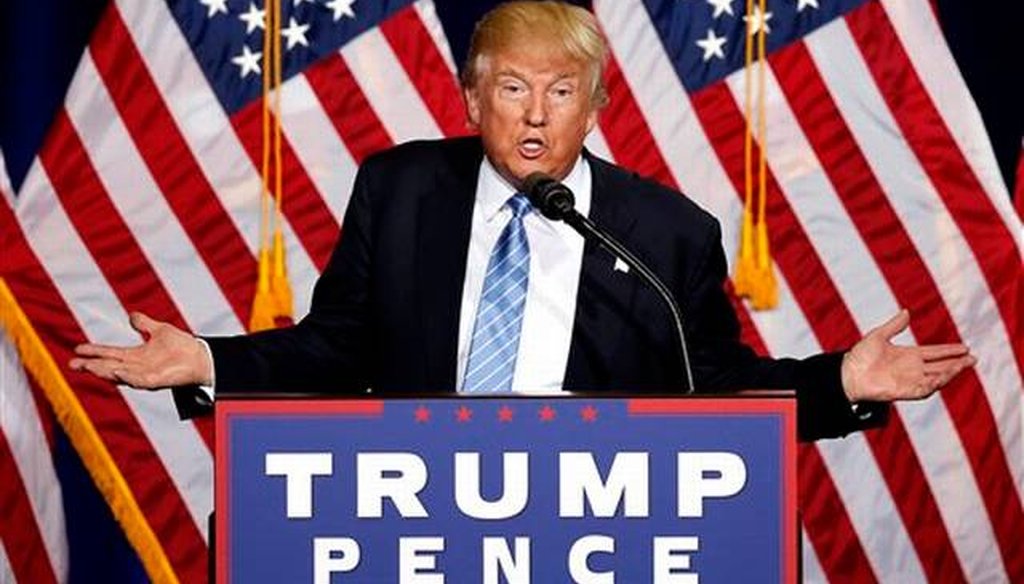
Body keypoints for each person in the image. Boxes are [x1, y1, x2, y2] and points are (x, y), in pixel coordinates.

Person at [69, 1, 974, 441]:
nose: (536, 115)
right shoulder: (402, 188)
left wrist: (841, 383)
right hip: (409, 514)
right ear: (471, 101)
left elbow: (717, 391)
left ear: (594, 110)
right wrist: (211, 361)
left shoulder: (665, 235)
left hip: (591, 527)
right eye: (512, 88)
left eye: (561, 93)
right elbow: (334, 347)